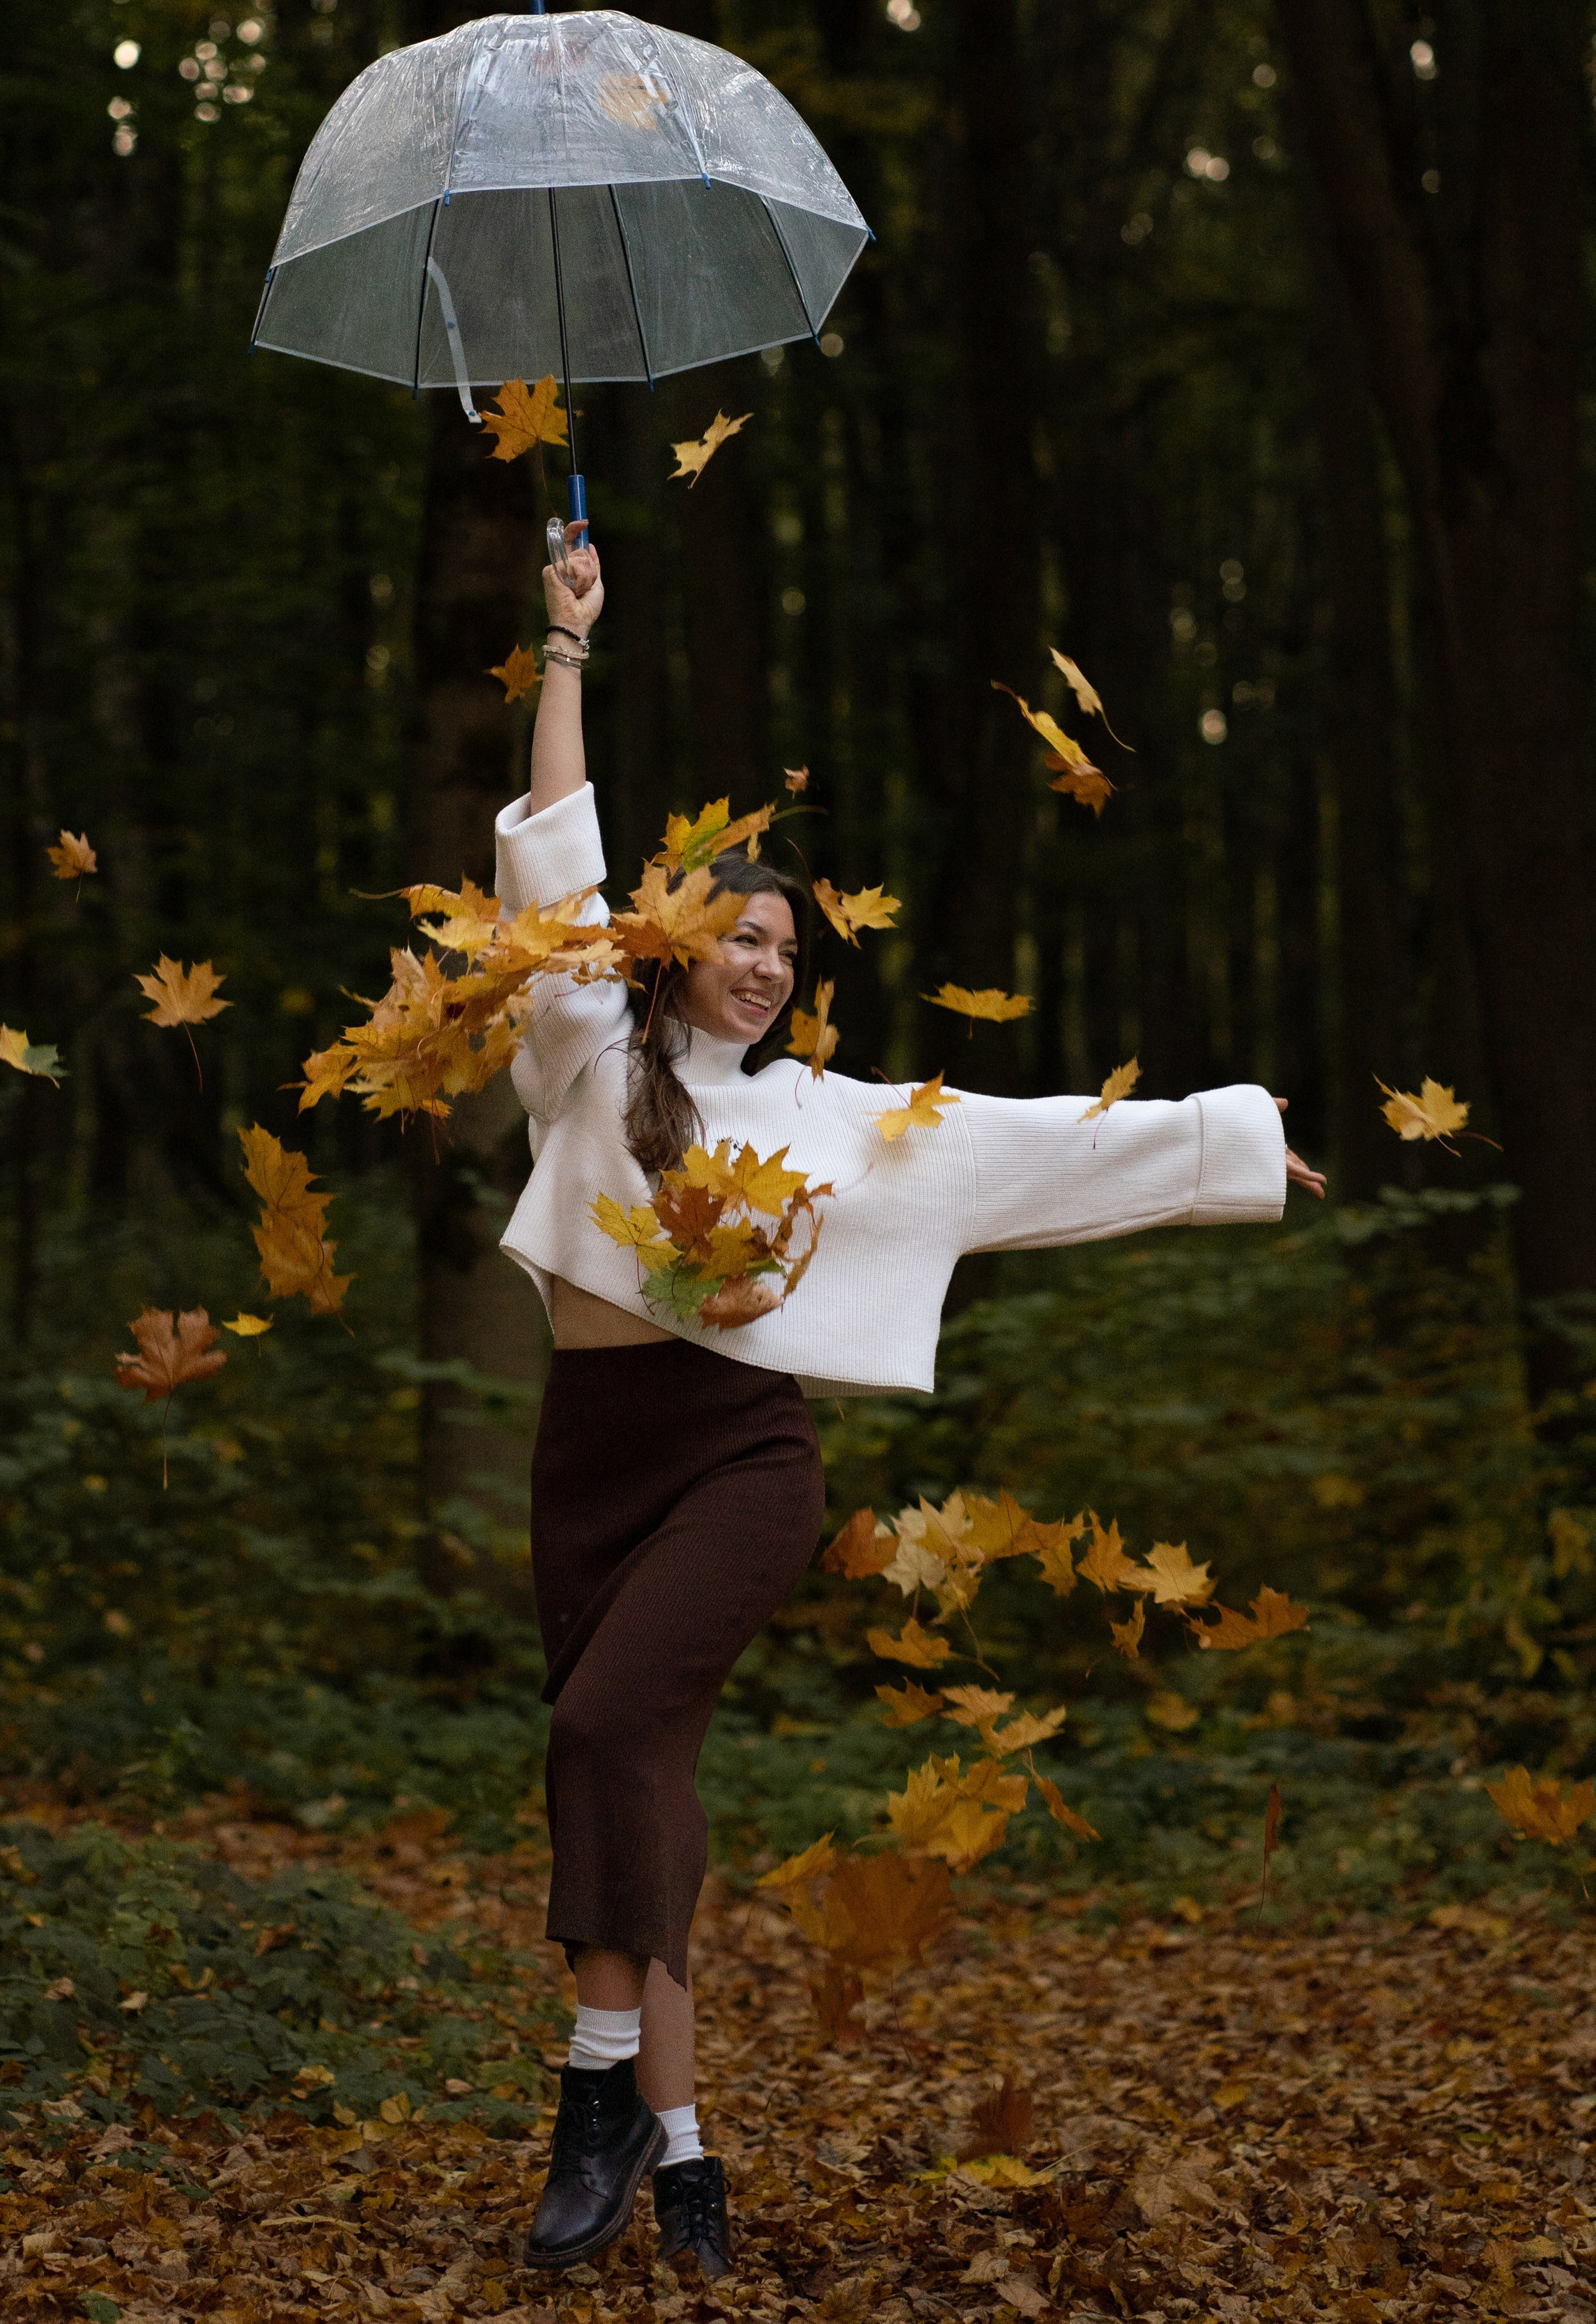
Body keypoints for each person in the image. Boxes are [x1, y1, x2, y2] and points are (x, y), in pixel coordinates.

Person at [496, 529, 1325, 2280]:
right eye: (738, 934)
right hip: (588, 1465)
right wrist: (565, 648)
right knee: (640, 1784)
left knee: (600, 1736)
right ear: (674, 948)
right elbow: (551, 881)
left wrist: (1227, 1140)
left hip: (738, 1461)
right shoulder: (582, 1051)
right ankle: (690, 2149)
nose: (768, 961)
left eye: (787, 944)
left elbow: (1043, 1144)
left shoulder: (828, 1117)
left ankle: (591, 2104)